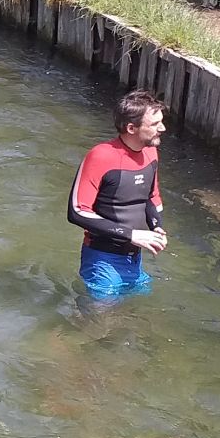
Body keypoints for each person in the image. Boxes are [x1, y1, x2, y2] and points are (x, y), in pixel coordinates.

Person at [68, 89, 169, 299]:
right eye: (154, 124)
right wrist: (132, 234)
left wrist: (156, 225)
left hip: (135, 260)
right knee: (98, 326)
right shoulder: (101, 156)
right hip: (103, 262)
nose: (163, 128)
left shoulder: (151, 151)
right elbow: (76, 211)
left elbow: (151, 197)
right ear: (131, 128)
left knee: (135, 319)